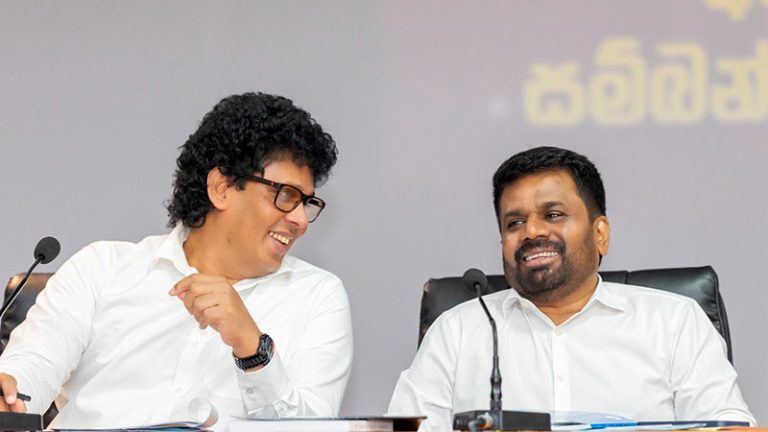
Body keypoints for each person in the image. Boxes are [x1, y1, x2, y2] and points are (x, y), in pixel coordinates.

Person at [0, 92, 353, 430]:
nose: (301, 221)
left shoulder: (317, 296)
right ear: (222, 187)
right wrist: (10, 394)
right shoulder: (102, 268)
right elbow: (28, 374)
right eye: (286, 195)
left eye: (307, 202)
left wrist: (253, 348)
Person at [387, 146, 755, 430]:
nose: (531, 232)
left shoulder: (674, 322)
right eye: (514, 222)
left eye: (553, 215)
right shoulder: (458, 330)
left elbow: (727, 427)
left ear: (600, 234)